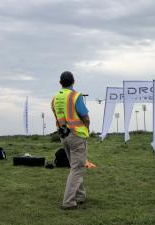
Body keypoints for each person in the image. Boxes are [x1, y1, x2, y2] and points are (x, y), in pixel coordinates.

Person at [51, 71, 90, 210]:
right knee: (77, 168)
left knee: (74, 167)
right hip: (77, 135)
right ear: (73, 81)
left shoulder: (55, 98)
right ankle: (68, 202)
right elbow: (85, 116)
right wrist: (87, 128)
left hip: (63, 135)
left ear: (60, 82)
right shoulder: (75, 96)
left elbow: (57, 116)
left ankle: (80, 196)